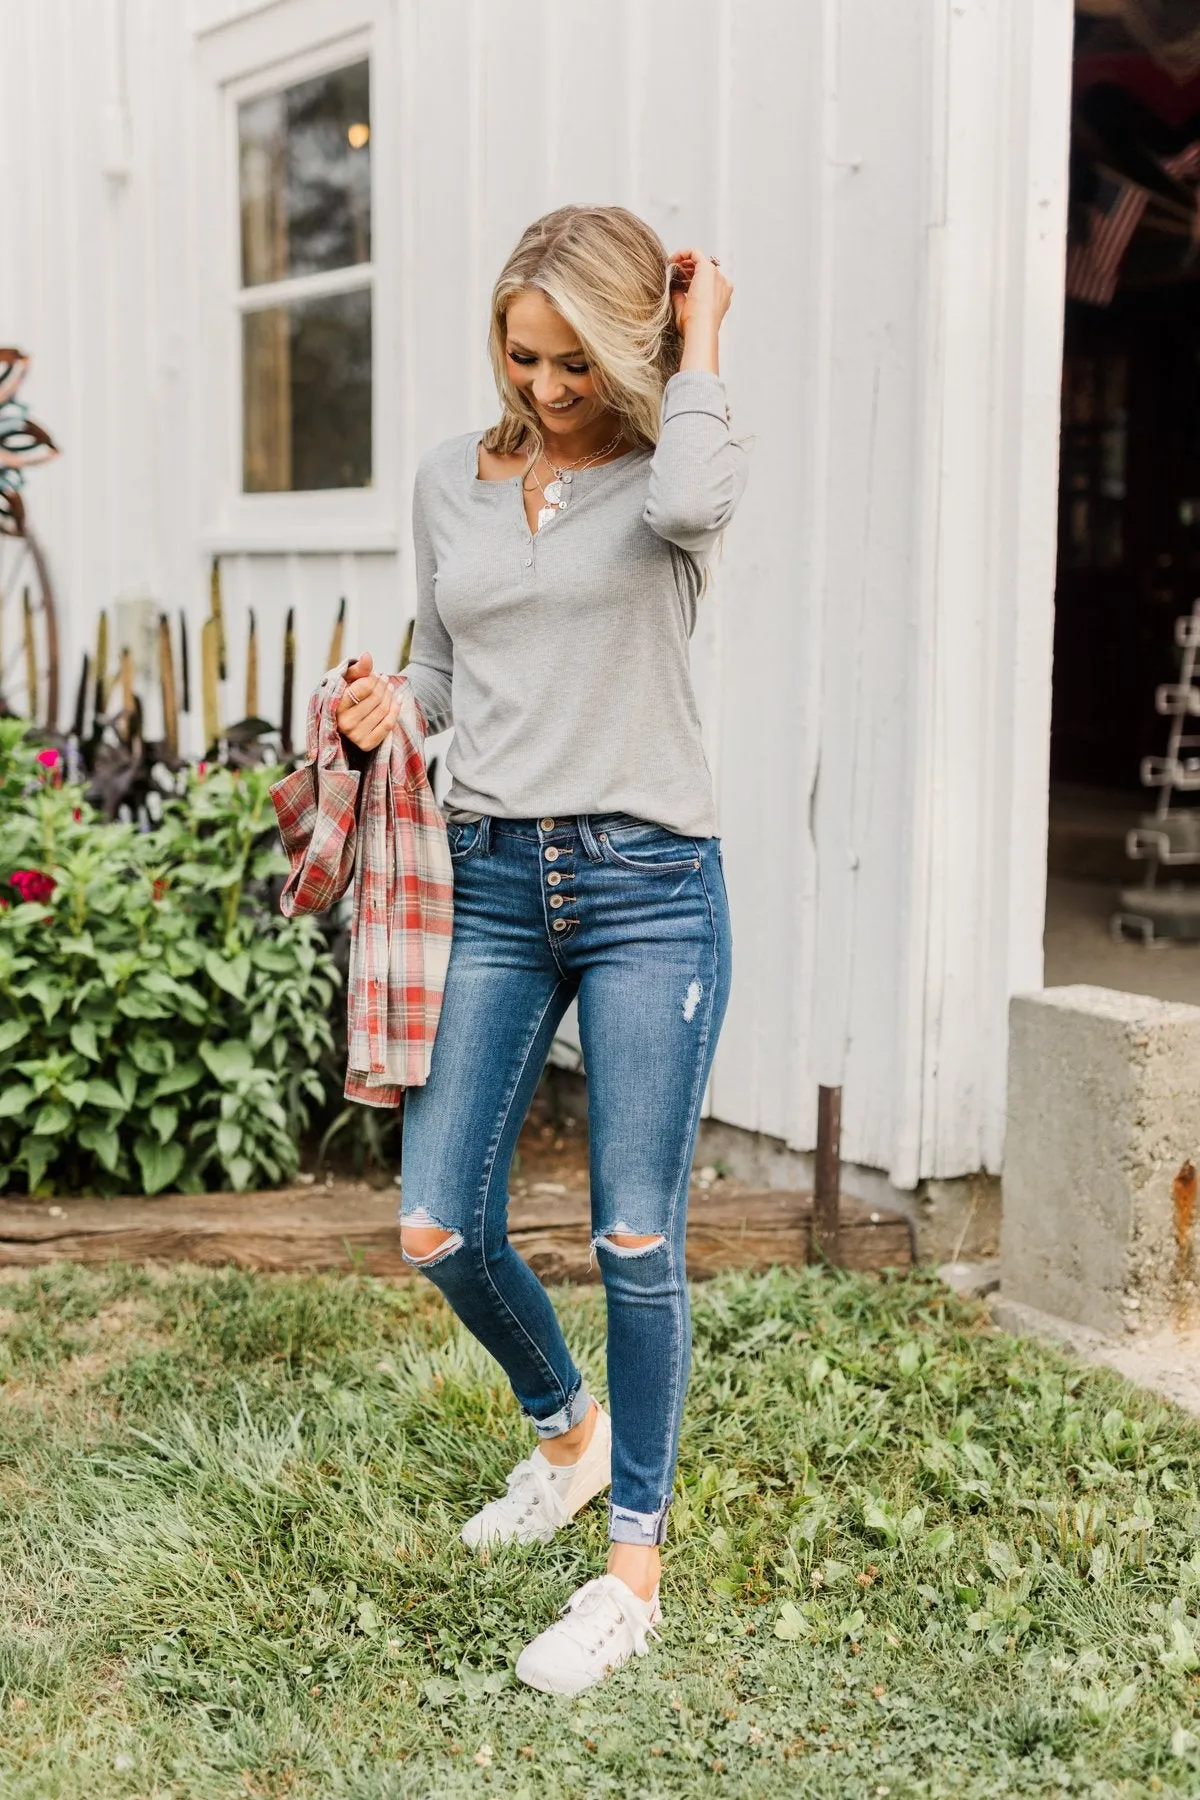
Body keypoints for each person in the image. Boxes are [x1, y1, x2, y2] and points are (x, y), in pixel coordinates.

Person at [335, 204, 747, 1694]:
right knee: (440, 1224)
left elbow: (696, 505)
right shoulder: (455, 478)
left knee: (636, 1236)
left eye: (579, 361)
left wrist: (700, 337)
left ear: (628, 350)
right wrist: (398, 710)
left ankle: (631, 1564)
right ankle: (568, 1437)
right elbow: (443, 664)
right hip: (496, 880)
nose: (549, 387)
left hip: (648, 884)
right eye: (525, 356)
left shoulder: (673, 469)